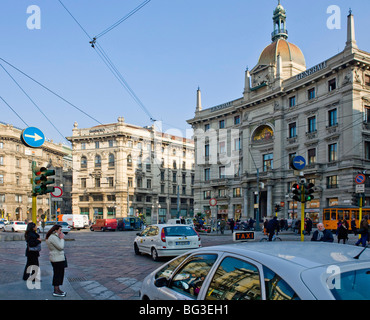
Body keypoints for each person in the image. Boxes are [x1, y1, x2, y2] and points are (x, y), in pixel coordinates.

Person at [46, 225, 67, 297]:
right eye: (60, 230)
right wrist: (61, 239)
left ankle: (58, 289)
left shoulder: (54, 237)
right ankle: (56, 290)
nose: (61, 232)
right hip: (57, 258)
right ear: (55, 230)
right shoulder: (53, 237)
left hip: (58, 257)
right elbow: (61, 247)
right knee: (57, 274)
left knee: (59, 274)